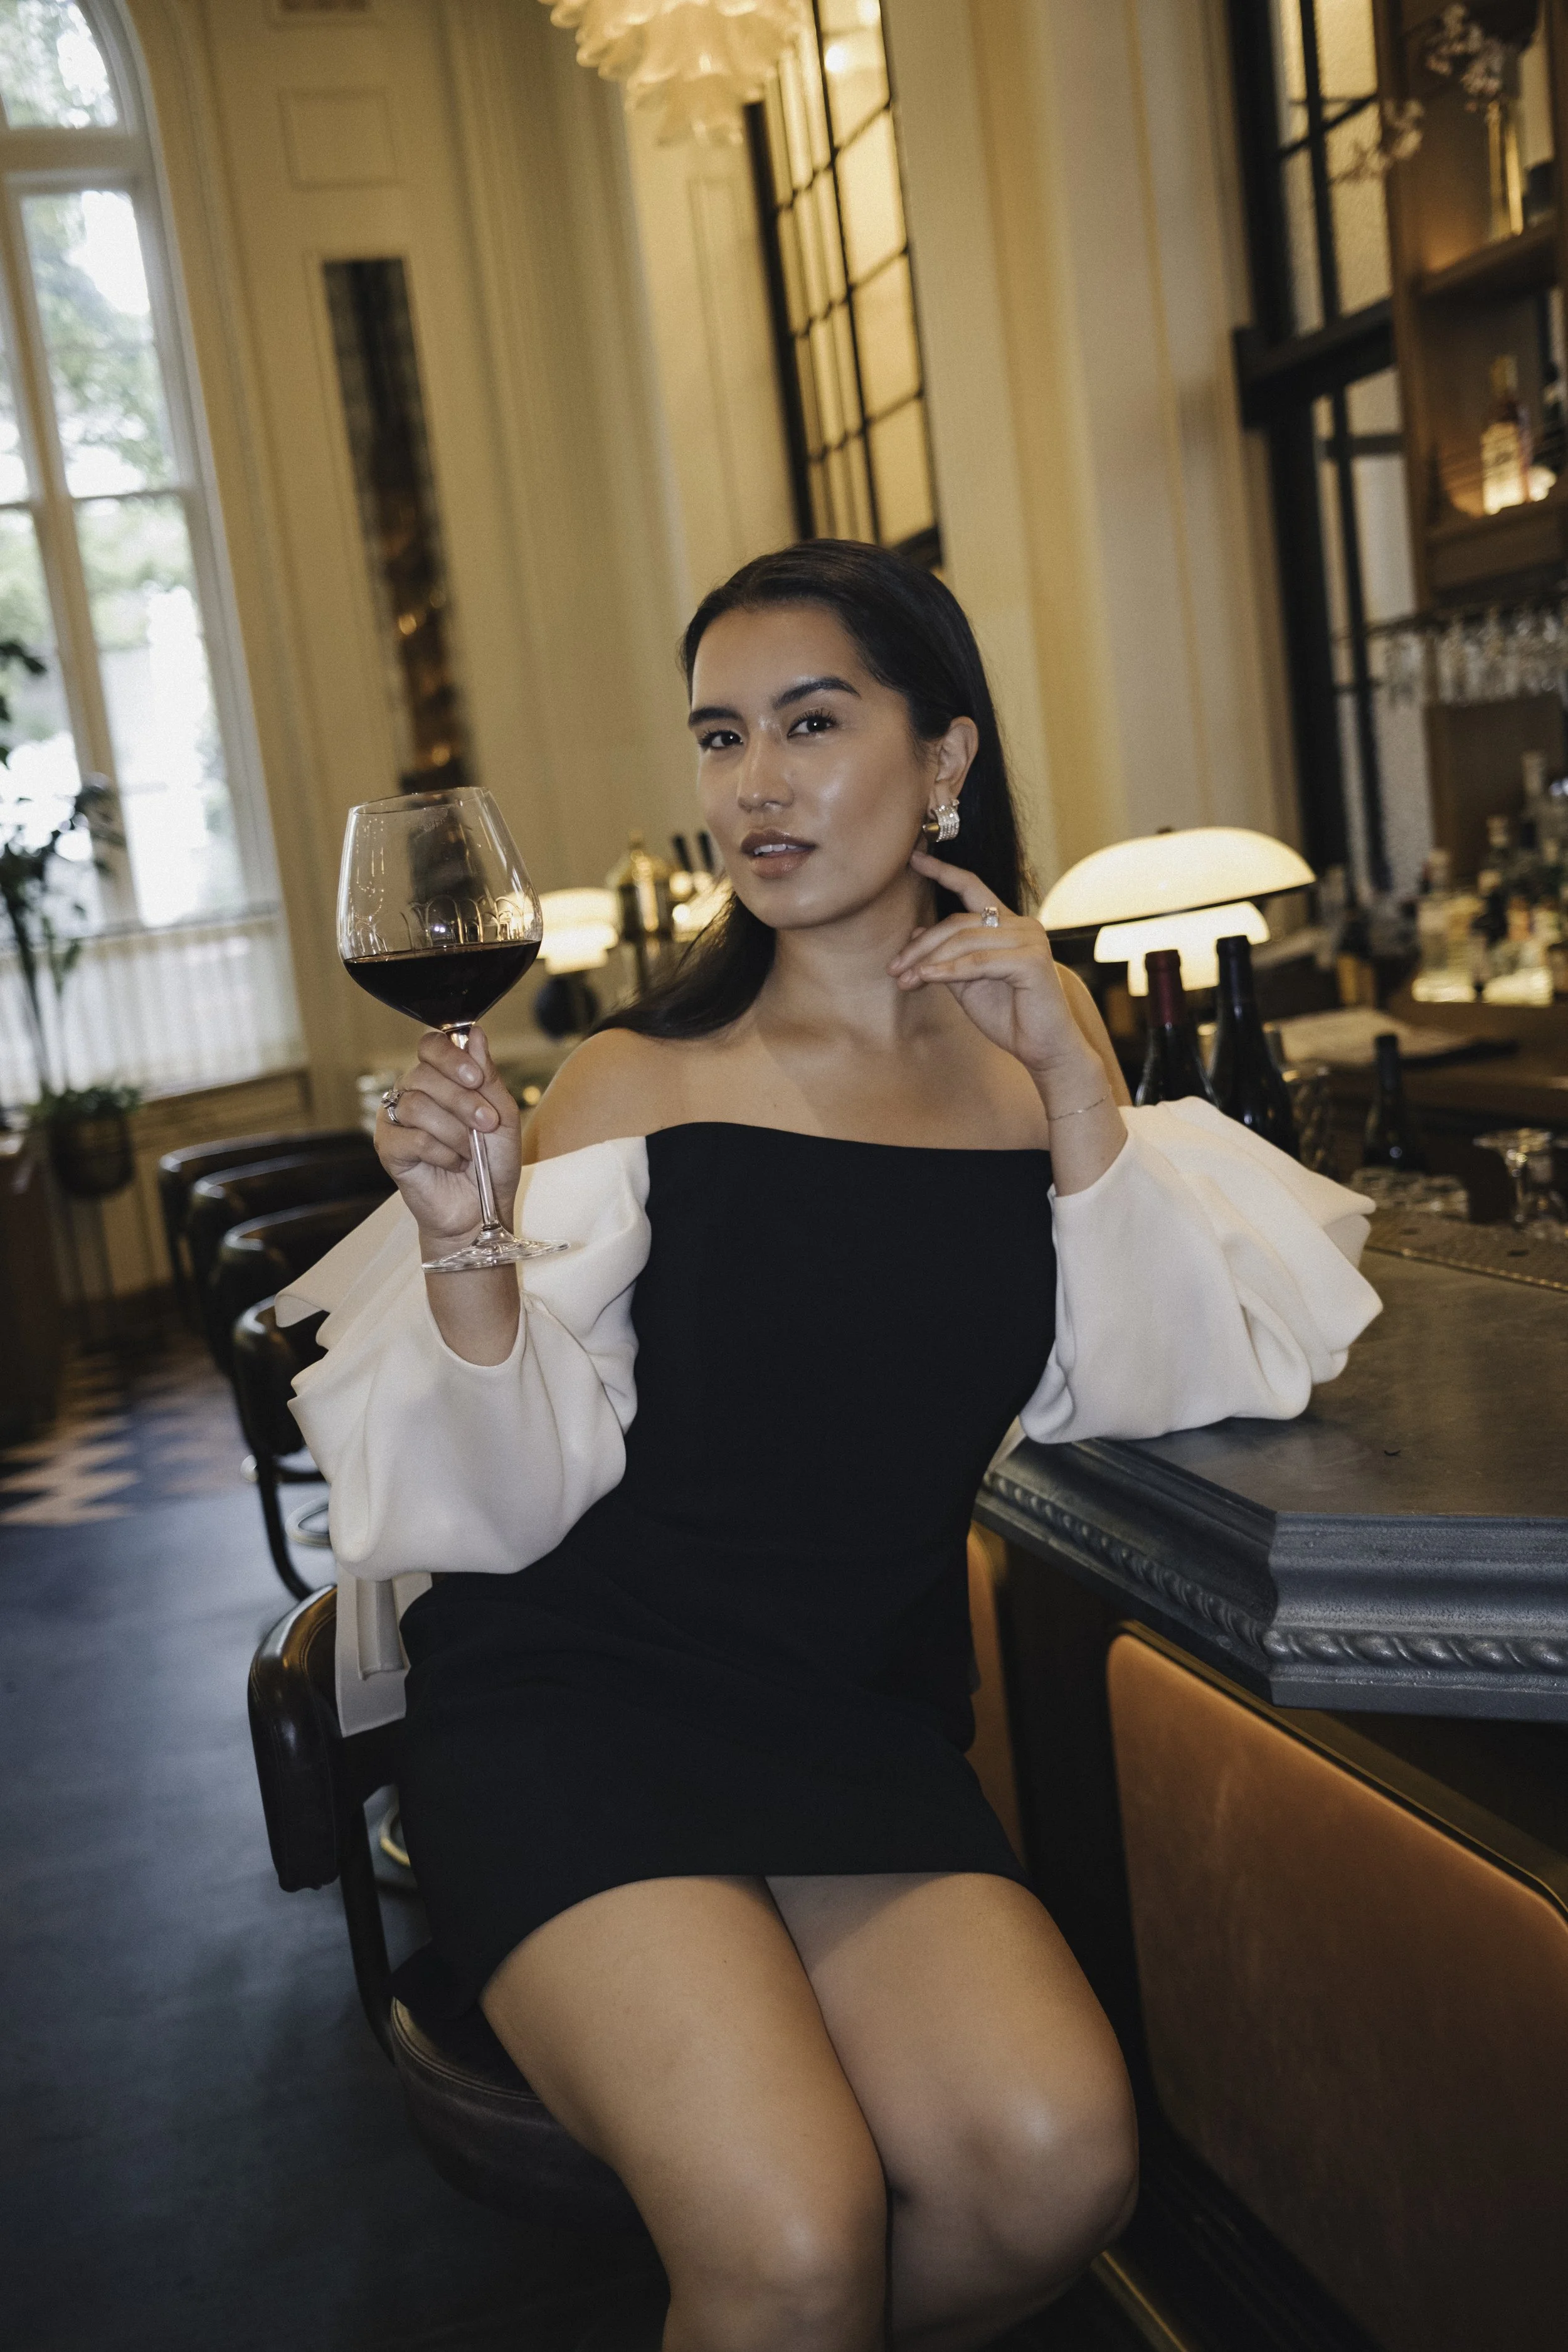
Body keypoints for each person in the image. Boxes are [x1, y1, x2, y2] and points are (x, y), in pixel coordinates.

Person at [283, 542, 1380, 2352]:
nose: (755, 784)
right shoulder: (635, 1079)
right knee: (791, 2238)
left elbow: (1171, 1375)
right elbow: (491, 1504)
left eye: (810, 721)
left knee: (1052, 2161)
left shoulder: (1034, 1080)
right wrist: (470, 1242)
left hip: (846, 1720)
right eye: (722, 737)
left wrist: (1081, 1081)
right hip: (574, 1703)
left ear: (944, 758)